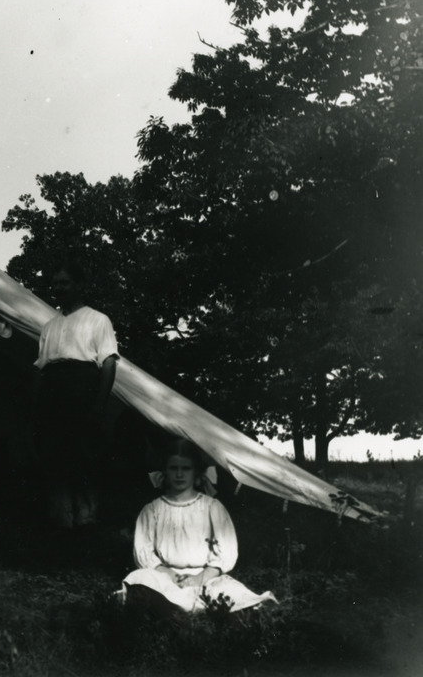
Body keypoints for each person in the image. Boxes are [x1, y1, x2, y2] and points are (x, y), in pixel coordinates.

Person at [119, 439, 276, 613]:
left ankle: (234, 605)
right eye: (173, 468)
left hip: (206, 576)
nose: (179, 474)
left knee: (229, 592)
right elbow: (144, 552)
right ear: (164, 472)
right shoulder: (152, 510)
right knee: (140, 578)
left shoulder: (212, 508)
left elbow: (226, 551)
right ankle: (174, 604)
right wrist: (169, 575)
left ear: (196, 473)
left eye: (186, 469)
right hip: (164, 576)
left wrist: (200, 578)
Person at [32, 261, 119, 528]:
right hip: (53, 392)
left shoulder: (98, 319)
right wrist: (39, 403)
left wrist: (99, 403)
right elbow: (41, 366)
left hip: (83, 389)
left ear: (79, 285)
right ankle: (61, 518)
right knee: (55, 455)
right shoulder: (49, 325)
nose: (59, 288)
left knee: (84, 456)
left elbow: (108, 362)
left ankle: (86, 516)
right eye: (56, 283)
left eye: (65, 283)